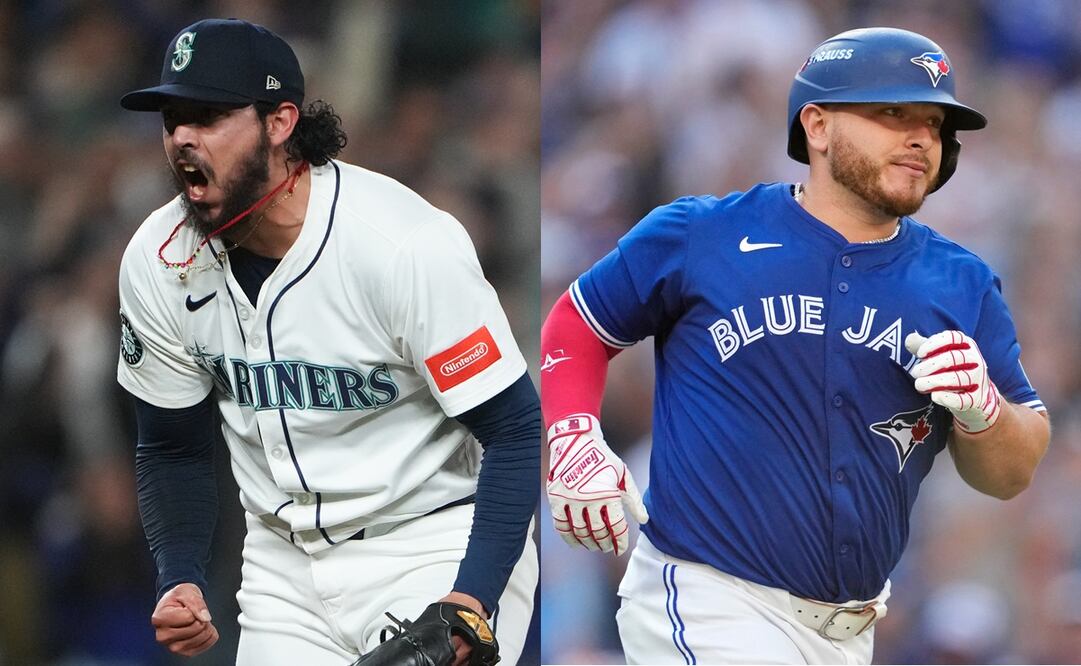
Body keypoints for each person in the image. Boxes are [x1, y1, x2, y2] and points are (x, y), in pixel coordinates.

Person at [541, 27, 1049, 665]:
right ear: (817, 125)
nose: (922, 137)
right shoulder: (706, 232)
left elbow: (1014, 471)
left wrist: (987, 416)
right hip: (708, 595)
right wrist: (572, 433)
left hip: (849, 633)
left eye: (935, 122)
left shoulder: (963, 283)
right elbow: (577, 323)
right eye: (893, 112)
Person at [116, 18, 539, 665]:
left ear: (280, 122)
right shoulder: (158, 257)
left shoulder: (398, 244)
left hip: (427, 542)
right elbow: (171, 446)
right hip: (282, 568)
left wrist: (471, 599)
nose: (183, 138)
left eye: (209, 116)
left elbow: (513, 428)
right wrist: (179, 571)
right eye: (173, 118)